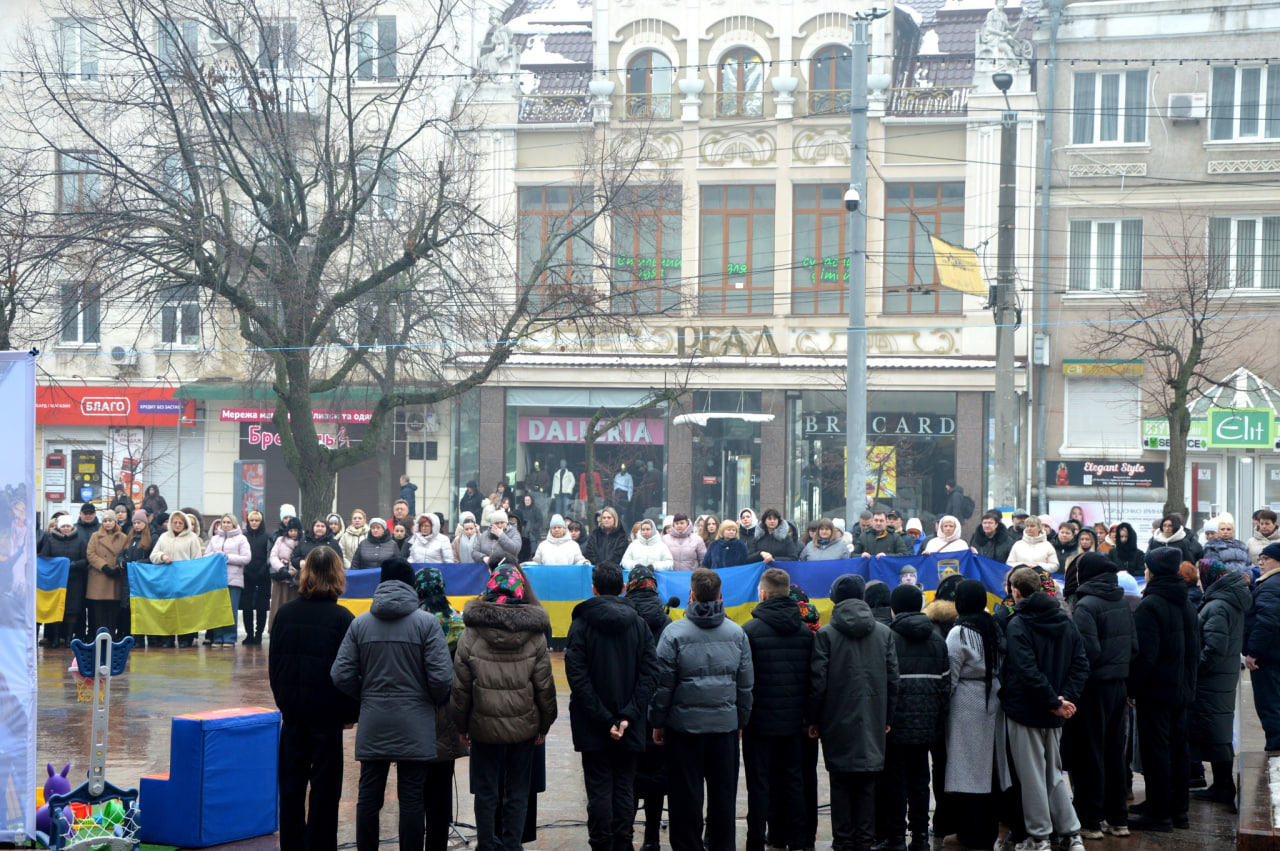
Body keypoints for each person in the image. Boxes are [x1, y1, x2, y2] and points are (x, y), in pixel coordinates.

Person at [331, 556, 454, 851]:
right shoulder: (427, 625)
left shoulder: (360, 623)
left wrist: (366, 695)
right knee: (412, 798)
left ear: (381, 582)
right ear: (411, 584)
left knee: (368, 797)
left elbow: (340, 674)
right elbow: (441, 678)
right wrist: (431, 701)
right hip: (416, 723)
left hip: (374, 721)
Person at [451, 566, 557, 851]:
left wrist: (461, 726)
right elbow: (545, 687)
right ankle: (512, 845)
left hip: (483, 726)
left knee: (486, 790)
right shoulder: (534, 635)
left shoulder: (470, 634)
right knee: (518, 790)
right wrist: (545, 724)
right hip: (523, 726)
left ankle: (486, 844)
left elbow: (460, 688)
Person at [648, 568, 752, 851]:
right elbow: (745, 686)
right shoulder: (737, 633)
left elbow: (663, 686)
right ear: (720, 596)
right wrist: (741, 720)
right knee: (723, 798)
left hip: (684, 730)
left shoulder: (673, 633)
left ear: (691, 595)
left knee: (684, 799)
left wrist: (658, 722)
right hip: (724, 728)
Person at [269, 546, 360, 851]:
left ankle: (293, 845)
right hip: (327, 715)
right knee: (325, 789)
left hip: (293, 712)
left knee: (291, 787)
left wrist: (284, 701)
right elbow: (349, 673)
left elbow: (275, 666)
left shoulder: (285, 614)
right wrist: (350, 713)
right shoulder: (343, 618)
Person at [565, 563, 659, 851]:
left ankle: (601, 844)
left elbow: (577, 678)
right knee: (624, 787)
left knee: (598, 789)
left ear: (593, 588)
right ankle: (623, 843)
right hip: (628, 724)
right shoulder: (639, 625)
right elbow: (650, 673)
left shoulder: (580, 624)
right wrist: (628, 716)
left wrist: (606, 719)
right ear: (621, 589)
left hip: (593, 724)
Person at [1000, 566, 1089, 851]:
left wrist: (1055, 702)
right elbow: (1081, 664)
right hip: (1056, 711)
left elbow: (1026, 671)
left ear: (1015, 591)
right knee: (1053, 773)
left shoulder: (1018, 623)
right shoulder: (1065, 619)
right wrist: (1064, 700)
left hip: (1026, 710)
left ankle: (1040, 837)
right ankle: (1071, 832)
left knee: (1033, 776)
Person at [808, 574, 899, 851]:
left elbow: (818, 681)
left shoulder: (826, 634)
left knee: (840, 783)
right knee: (868, 783)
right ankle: (865, 839)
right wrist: (887, 718)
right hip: (873, 717)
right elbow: (893, 679)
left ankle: (843, 841)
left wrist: (813, 719)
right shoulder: (884, 633)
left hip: (836, 718)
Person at [1127, 547, 1199, 832]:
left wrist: (1132, 689)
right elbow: (1196, 649)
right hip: (1181, 690)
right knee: (1178, 750)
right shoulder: (1186, 603)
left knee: (1157, 751)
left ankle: (1159, 814)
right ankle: (1176, 810)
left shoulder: (1151, 604)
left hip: (1156, 692)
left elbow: (1145, 656)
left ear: (1151, 571)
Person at [741, 567, 813, 851]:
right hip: (794, 722)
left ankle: (756, 840)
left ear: (763, 593)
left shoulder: (750, 631)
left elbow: (745, 681)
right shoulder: (806, 632)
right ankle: (794, 840)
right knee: (793, 780)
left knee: (759, 784)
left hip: (759, 723)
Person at [1067, 553, 1137, 839]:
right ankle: (1118, 819)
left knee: (1090, 753)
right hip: (1118, 686)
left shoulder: (1086, 605)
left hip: (1093, 688)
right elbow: (1134, 646)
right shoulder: (1121, 601)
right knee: (1114, 753)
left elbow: (1088, 652)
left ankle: (1091, 821)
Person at [880, 582, 949, 851]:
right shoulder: (936, 640)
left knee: (894, 781)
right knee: (921, 780)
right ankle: (920, 835)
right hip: (926, 725)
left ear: (893, 609)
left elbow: (884, 683)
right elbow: (946, 684)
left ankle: (896, 836)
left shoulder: (888, 637)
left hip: (895, 725)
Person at [944, 579, 1009, 850]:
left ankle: (972, 833)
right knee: (990, 767)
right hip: (992, 696)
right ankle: (989, 829)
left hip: (966, 701)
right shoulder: (992, 625)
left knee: (968, 769)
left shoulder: (959, 632)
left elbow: (951, 674)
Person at [411, 566, 468, 851]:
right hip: (448, 711)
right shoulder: (458, 620)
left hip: (415, 711)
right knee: (442, 787)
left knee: (414, 788)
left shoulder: (411, 621)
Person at [1188, 558, 1251, 805]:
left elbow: (1213, 648)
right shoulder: (1227, 600)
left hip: (1211, 678)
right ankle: (1222, 785)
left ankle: (1223, 786)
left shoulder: (1218, 605)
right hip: (1221, 676)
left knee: (1215, 732)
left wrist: (1195, 669)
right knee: (1217, 729)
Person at [620, 566, 671, 851]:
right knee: (655, 774)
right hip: (657, 710)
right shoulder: (666, 620)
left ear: (630, 587)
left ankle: (625, 834)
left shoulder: (622, 617)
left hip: (628, 708)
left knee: (628, 774)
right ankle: (651, 838)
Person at [150, 511, 205, 647]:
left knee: (184, 611)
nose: (178, 525)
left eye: (181, 522)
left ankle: (185, 638)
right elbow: (153, 555)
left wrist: (192, 578)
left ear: (185, 524)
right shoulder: (163, 537)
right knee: (168, 610)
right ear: (170, 523)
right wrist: (162, 556)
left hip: (185, 580)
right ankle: (168, 639)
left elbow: (196, 559)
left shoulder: (192, 538)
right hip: (167, 580)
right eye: (175, 522)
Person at [1246, 542, 1280, 753]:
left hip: (1269, 657)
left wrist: (1253, 653)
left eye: (1265, 559)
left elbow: (1267, 622)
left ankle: (1276, 750)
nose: (1261, 562)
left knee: (1271, 704)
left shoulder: (1271, 585)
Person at [204, 514, 252, 645]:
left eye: (228, 522)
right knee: (217, 609)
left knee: (230, 610)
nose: (225, 524)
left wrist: (227, 557)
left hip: (233, 580)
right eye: (223, 522)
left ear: (234, 524)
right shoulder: (214, 539)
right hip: (216, 581)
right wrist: (215, 555)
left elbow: (246, 558)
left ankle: (230, 637)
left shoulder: (241, 539)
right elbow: (205, 555)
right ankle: (218, 637)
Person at [85, 512, 126, 638]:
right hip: (99, 577)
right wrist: (104, 566)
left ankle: (111, 637)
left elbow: (125, 554)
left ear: (115, 522)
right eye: (105, 521)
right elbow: (90, 554)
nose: (107, 523)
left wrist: (118, 567)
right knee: (99, 612)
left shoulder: (123, 537)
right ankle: (100, 637)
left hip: (115, 577)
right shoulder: (95, 536)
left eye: (110, 520)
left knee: (113, 611)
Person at [120, 510, 153, 643]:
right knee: (128, 608)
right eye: (134, 523)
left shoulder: (151, 538)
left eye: (139, 522)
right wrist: (121, 561)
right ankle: (130, 637)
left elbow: (152, 558)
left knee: (141, 608)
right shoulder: (130, 537)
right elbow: (122, 553)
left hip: (142, 578)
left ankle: (140, 639)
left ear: (145, 523)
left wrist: (139, 564)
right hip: (128, 577)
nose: (137, 525)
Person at [241, 510, 272, 645]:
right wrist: (246, 570)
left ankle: (259, 634)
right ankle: (249, 634)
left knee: (261, 607)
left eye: (257, 520)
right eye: (252, 520)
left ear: (261, 522)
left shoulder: (267, 537)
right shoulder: (243, 537)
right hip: (246, 576)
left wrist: (262, 570)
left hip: (263, 576)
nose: (254, 523)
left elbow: (270, 555)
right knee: (247, 607)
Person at [269, 517, 304, 632]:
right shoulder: (280, 540)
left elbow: (303, 558)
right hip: (281, 578)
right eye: (290, 530)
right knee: (278, 604)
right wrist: (282, 569)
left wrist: (294, 570)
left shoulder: (303, 542)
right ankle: (276, 629)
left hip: (296, 580)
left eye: (295, 530)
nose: (293, 533)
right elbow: (273, 556)